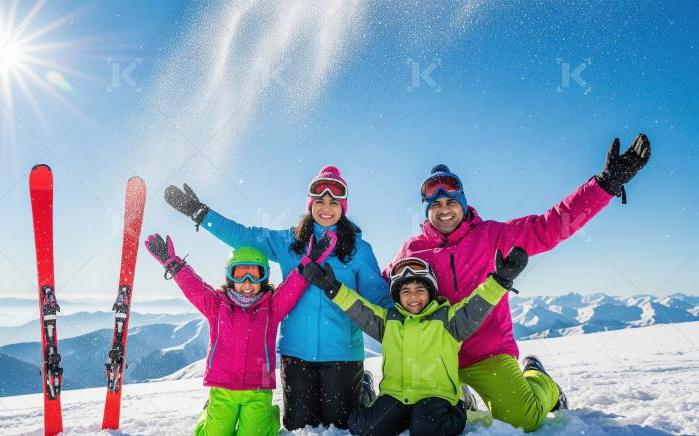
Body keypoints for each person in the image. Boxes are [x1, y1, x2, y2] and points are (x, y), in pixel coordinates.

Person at [384, 134, 651, 431]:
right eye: (436, 205)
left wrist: (605, 185)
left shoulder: (493, 236)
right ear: (427, 210)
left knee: (522, 419)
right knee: (411, 416)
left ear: (463, 203)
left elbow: (550, 227)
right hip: (438, 358)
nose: (444, 209)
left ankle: (540, 379)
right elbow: (377, 288)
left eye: (451, 202)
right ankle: (460, 397)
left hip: (488, 353)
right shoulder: (413, 250)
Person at [163, 165, 392, 430]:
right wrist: (201, 214)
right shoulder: (290, 242)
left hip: (342, 353)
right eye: (320, 201)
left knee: (340, 426)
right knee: (300, 426)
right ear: (310, 205)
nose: (326, 207)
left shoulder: (359, 250)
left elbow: (378, 296)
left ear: (344, 207)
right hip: (297, 353)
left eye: (334, 202)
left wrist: (401, 316)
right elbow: (243, 236)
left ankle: (362, 387)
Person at [302, 248, 529, 435]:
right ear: (398, 296)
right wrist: (332, 288)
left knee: (429, 430)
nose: (413, 296)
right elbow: (359, 309)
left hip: (435, 395)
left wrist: (500, 281)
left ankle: (462, 403)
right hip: (396, 395)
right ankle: (368, 393)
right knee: (364, 428)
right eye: (406, 291)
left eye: (420, 289)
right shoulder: (389, 321)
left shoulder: (449, 320)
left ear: (430, 292)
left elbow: (476, 304)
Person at [144, 231, 336, 435]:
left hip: (258, 389)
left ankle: (269, 415)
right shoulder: (217, 305)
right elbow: (194, 288)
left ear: (264, 277)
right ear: (229, 276)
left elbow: (292, 286)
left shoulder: (271, 308)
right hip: (223, 388)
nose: (246, 282)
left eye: (254, 275)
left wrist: (309, 263)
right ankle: (206, 415)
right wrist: (172, 264)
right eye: (239, 274)